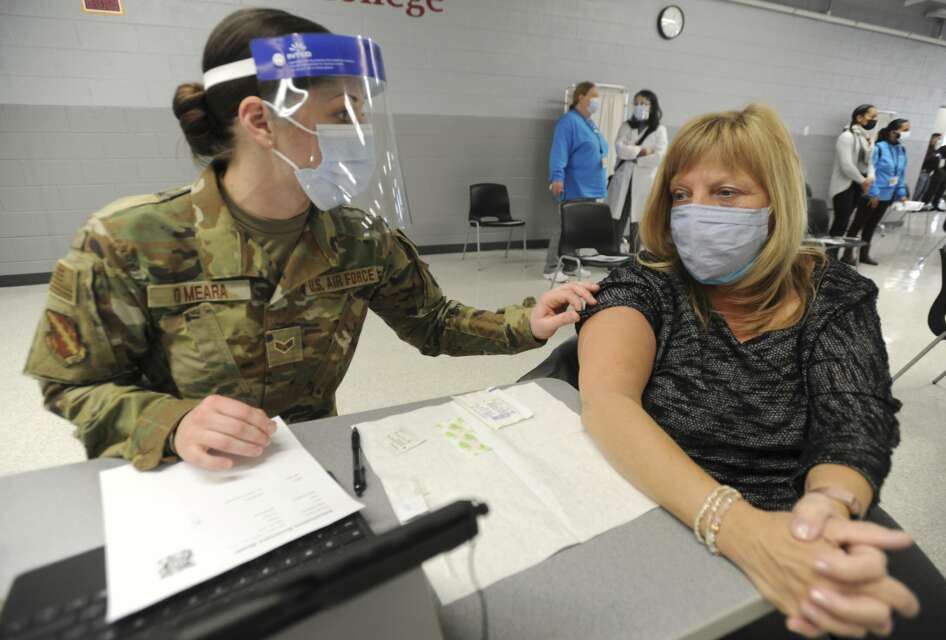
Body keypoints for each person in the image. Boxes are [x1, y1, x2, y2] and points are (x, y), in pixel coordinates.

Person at [23, 8, 599, 472]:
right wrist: (169, 423)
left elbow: (434, 321)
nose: (360, 133)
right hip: (182, 479)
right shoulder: (129, 240)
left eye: (363, 113)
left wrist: (528, 322)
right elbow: (72, 382)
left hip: (308, 469)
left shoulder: (359, 238)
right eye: (341, 112)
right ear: (259, 120)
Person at [576, 104, 946, 640]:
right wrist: (738, 528)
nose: (695, 211)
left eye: (726, 192)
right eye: (680, 194)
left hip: (801, 505)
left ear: (775, 202)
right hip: (670, 505)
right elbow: (607, 401)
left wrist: (826, 508)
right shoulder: (646, 284)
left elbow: (853, 419)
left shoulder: (833, 292)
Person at [544, 81, 610, 282]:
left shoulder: (589, 123)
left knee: (578, 229)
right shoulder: (568, 122)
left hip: (590, 187)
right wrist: (557, 177)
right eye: (593, 96)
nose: (596, 101)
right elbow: (559, 152)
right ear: (581, 97)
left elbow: (600, 149)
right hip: (574, 185)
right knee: (564, 227)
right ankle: (550, 268)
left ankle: (572, 265)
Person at [607, 90, 668, 253]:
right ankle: (612, 255)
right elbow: (620, 149)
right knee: (617, 218)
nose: (640, 107)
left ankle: (635, 258)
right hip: (623, 180)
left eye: (644, 103)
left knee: (639, 221)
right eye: (637, 103)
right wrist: (643, 151)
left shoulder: (659, 130)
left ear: (652, 106)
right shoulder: (626, 126)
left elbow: (660, 156)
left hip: (644, 182)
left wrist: (634, 155)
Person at [844, 119, 910, 265]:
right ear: (894, 130)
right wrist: (873, 193)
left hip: (887, 196)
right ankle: (847, 254)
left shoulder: (901, 150)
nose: (907, 133)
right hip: (872, 195)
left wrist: (902, 193)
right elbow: (870, 170)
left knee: (871, 226)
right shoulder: (879, 148)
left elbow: (900, 175)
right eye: (905, 130)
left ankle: (864, 254)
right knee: (857, 225)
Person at [827, 104, 875, 238]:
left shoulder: (867, 138)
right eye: (871, 116)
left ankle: (834, 257)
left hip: (858, 186)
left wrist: (870, 176)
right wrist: (863, 180)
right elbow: (846, 165)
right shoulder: (847, 136)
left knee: (845, 223)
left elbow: (871, 161)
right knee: (840, 223)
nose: (874, 120)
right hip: (844, 186)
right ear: (859, 117)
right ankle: (830, 257)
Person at [921, 131, 946, 211]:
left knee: (942, 189)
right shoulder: (943, 148)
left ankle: (935, 204)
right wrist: (938, 169)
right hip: (941, 172)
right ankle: (924, 203)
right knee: (933, 189)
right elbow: (936, 159)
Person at [913, 133, 941, 201]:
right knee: (918, 190)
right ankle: (912, 203)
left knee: (924, 190)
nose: (938, 141)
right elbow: (923, 159)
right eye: (937, 139)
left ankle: (917, 205)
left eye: (939, 139)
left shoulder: (934, 149)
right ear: (932, 138)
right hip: (923, 172)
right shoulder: (927, 148)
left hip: (929, 173)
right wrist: (933, 156)